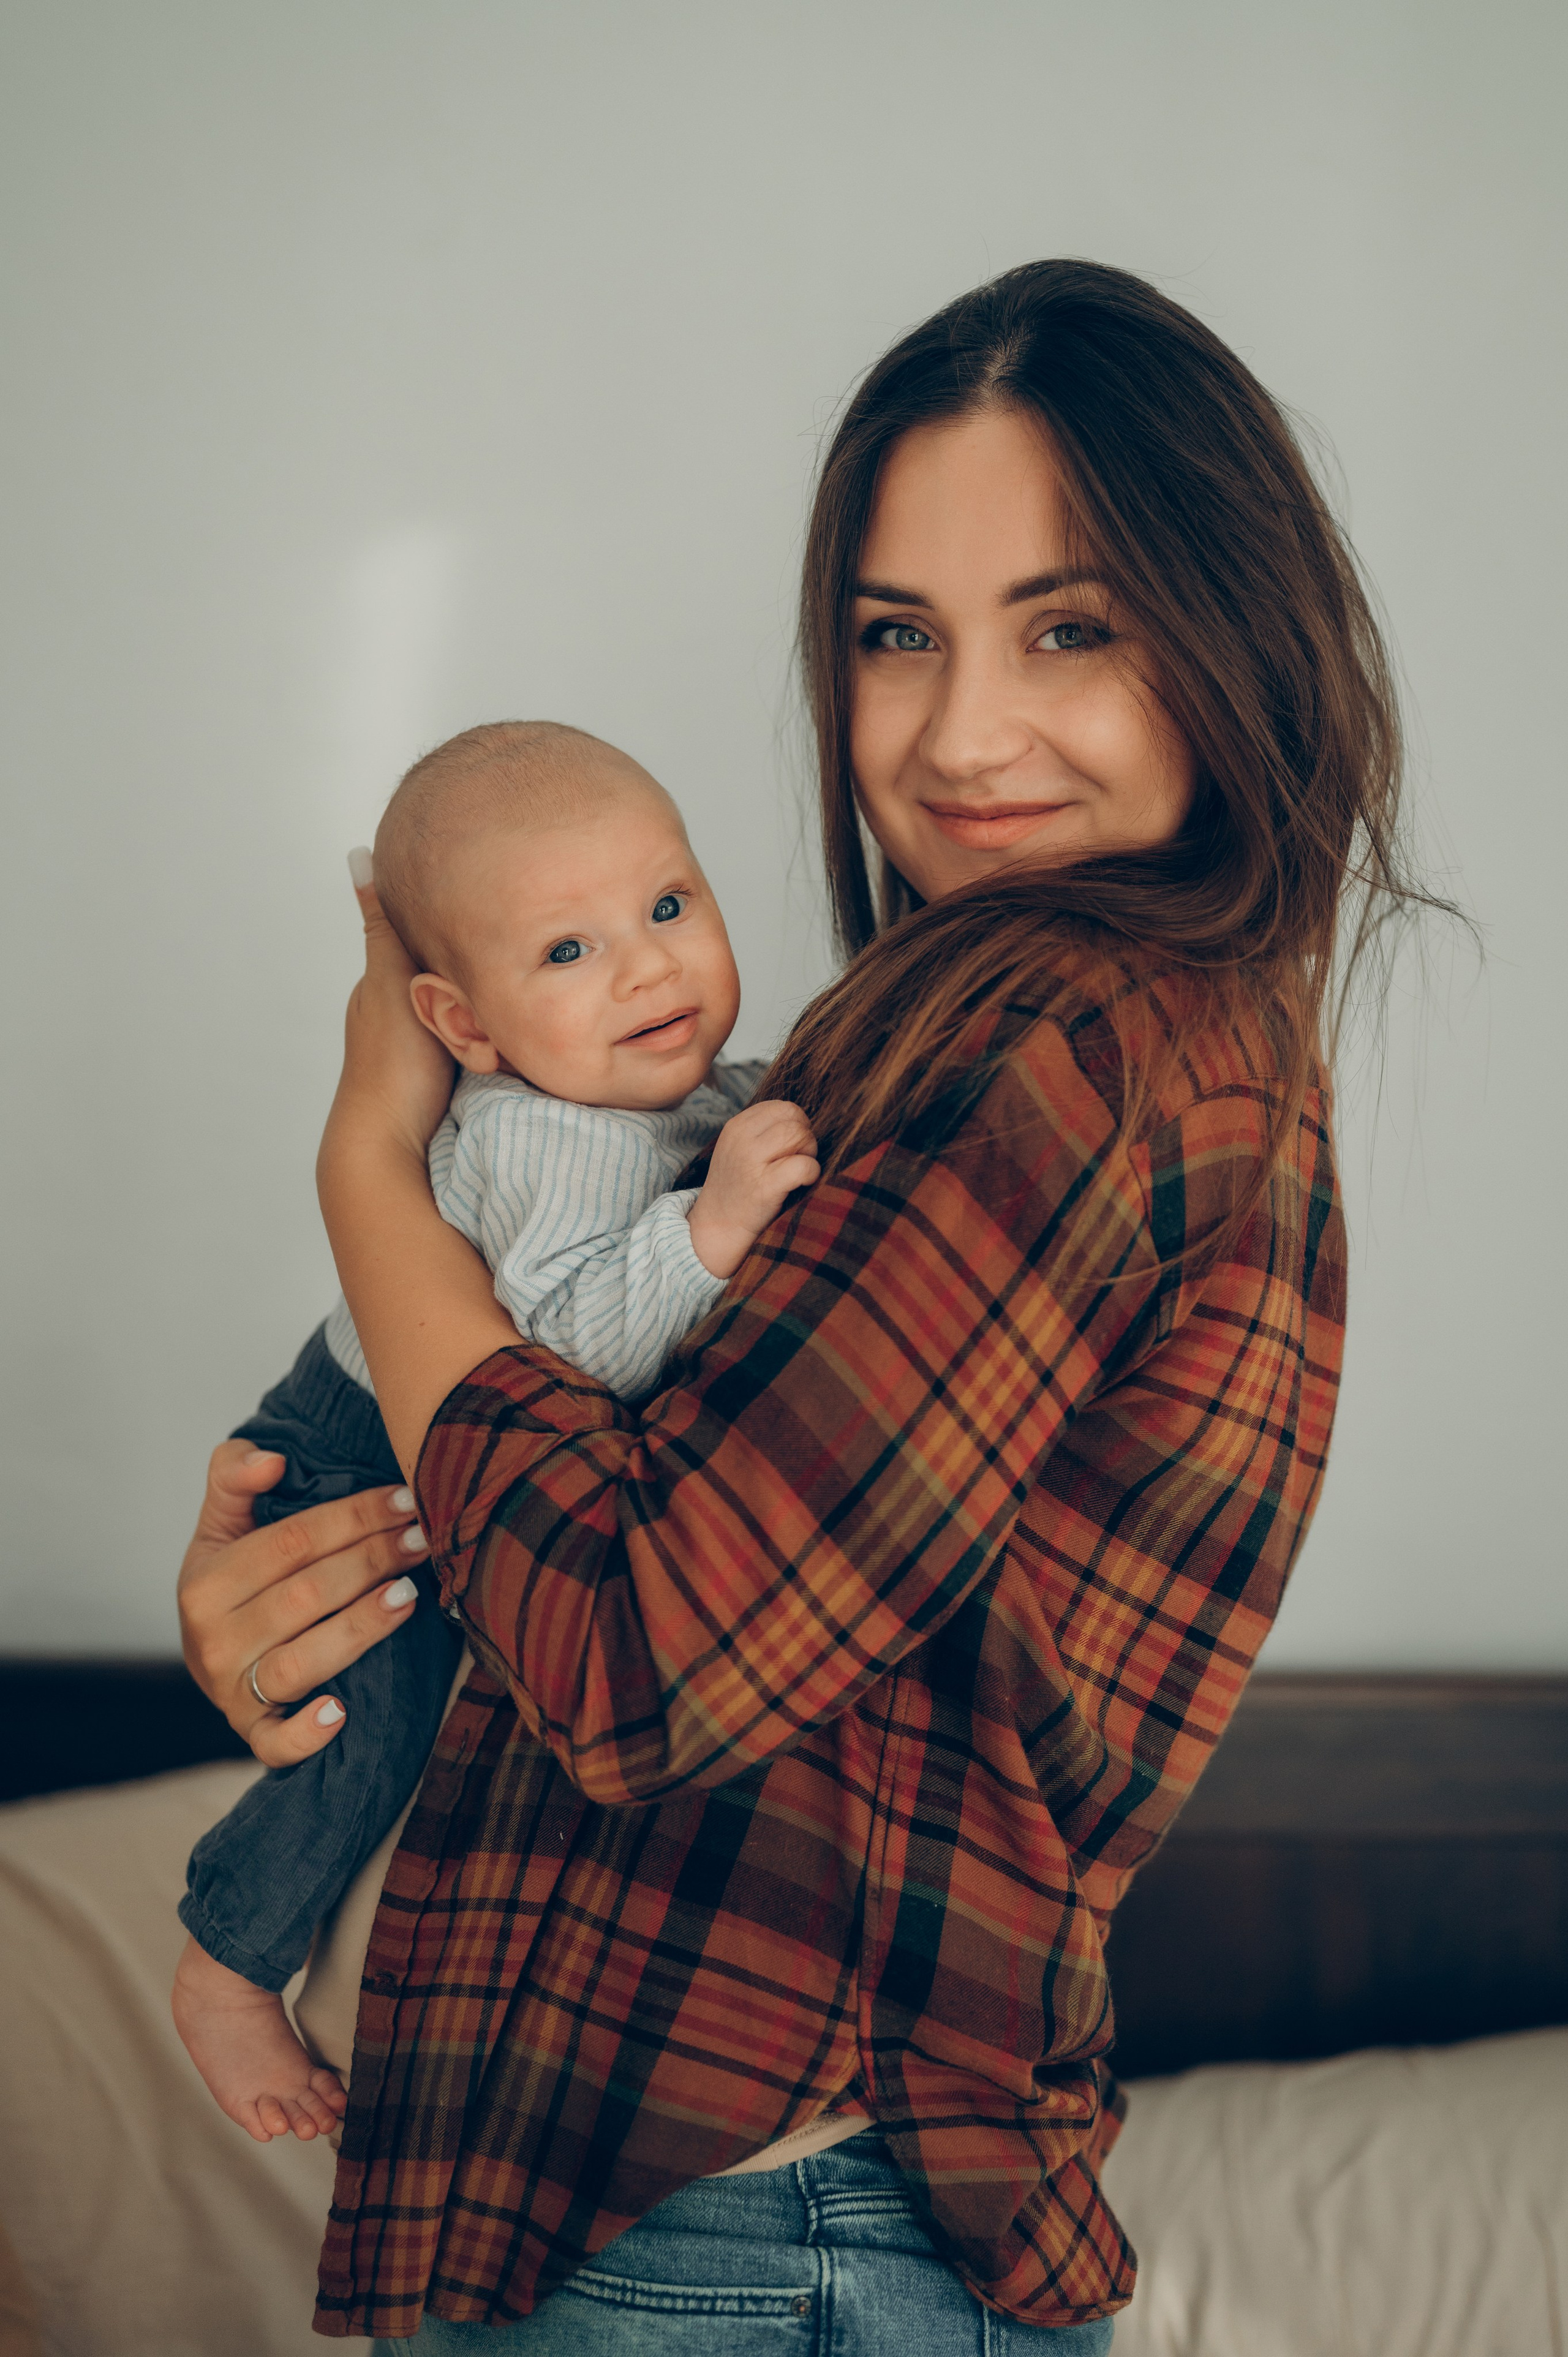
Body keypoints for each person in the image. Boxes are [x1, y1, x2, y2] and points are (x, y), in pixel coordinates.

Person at [179, 258, 1423, 2350]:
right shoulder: (974, 1024)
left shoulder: (1078, 1038)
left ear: (1230, 633)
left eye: (1068, 626)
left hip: (752, 2231)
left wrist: (365, 1168)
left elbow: (639, 1649)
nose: (958, 733)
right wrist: (332, 1600)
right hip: (716, 2212)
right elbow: (613, 1529)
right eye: (894, 637)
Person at [172, 720, 815, 2141]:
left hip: (407, 1436)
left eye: (667, 905)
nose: (648, 967)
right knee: (367, 1711)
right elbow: (557, 1359)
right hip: (354, 1453)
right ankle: (229, 1960)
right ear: (461, 1028)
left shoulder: (660, 1076)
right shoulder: (538, 1135)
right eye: (567, 952)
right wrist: (711, 1231)